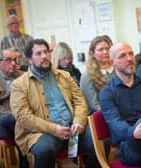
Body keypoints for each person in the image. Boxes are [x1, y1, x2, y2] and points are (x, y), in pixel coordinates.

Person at [10, 39, 87, 168]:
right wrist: (54, 129)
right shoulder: (19, 85)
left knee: (101, 142)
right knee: (45, 150)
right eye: (38, 53)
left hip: (72, 128)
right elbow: (23, 117)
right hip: (41, 133)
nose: (44, 56)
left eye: (46, 52)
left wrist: (78, 121)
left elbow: (80, 101)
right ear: (29, 59)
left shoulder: (65, 76)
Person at [100, 42, 141, 166]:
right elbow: (115, 123)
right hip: (129, 145)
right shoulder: (106, 92)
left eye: (131, 54)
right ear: (112, 63)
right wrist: (134, 132)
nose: (129, 58)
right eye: (122, 56)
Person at [80, 36, 114, 168]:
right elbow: (95, 106)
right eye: (101, 49)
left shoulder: (117, 69)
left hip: (117, 114)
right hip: (95, 118)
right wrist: (115, 116)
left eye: (107, 48)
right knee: (102, 141)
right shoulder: (87, 76)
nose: (105, 52)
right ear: (92, 53)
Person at [0, 48, 23, 139]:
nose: (13, 63)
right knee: (7, 119)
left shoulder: (23, 76)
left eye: (14, 60)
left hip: (24, 116)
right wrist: (16, 115)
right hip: (3, 123)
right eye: (8, 60)